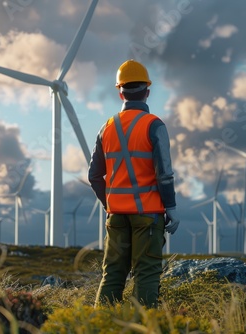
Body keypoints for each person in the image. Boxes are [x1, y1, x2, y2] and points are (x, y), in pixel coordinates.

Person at [88, 59, 179, 308]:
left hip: (116, 216)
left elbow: (94, 176)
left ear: (120, 92)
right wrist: (170, 207)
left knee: (113, 274)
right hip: (147, 216)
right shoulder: (154, 125)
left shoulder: (106, 128)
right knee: (146, 275)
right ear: (147, 91)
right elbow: (165, 174)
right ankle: (143, 325)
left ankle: (99, 325)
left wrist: (110, 203)